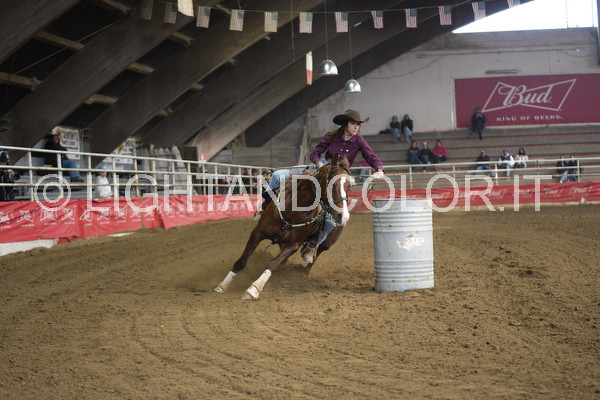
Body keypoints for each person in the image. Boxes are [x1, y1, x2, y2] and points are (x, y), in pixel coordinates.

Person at [261, 109, 385, 264]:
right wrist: (319, 163)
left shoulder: (359, 141)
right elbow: (315, 153)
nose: (356, 127)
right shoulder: (331, 136)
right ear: (345, 124)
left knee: (333, 220)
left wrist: (379, 169)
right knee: (277, 176)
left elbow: (371, 157)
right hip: (321, 170)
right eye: (353, 123)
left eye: (358, 124)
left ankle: (311, 246)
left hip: (339, 177)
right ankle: (265, 206)